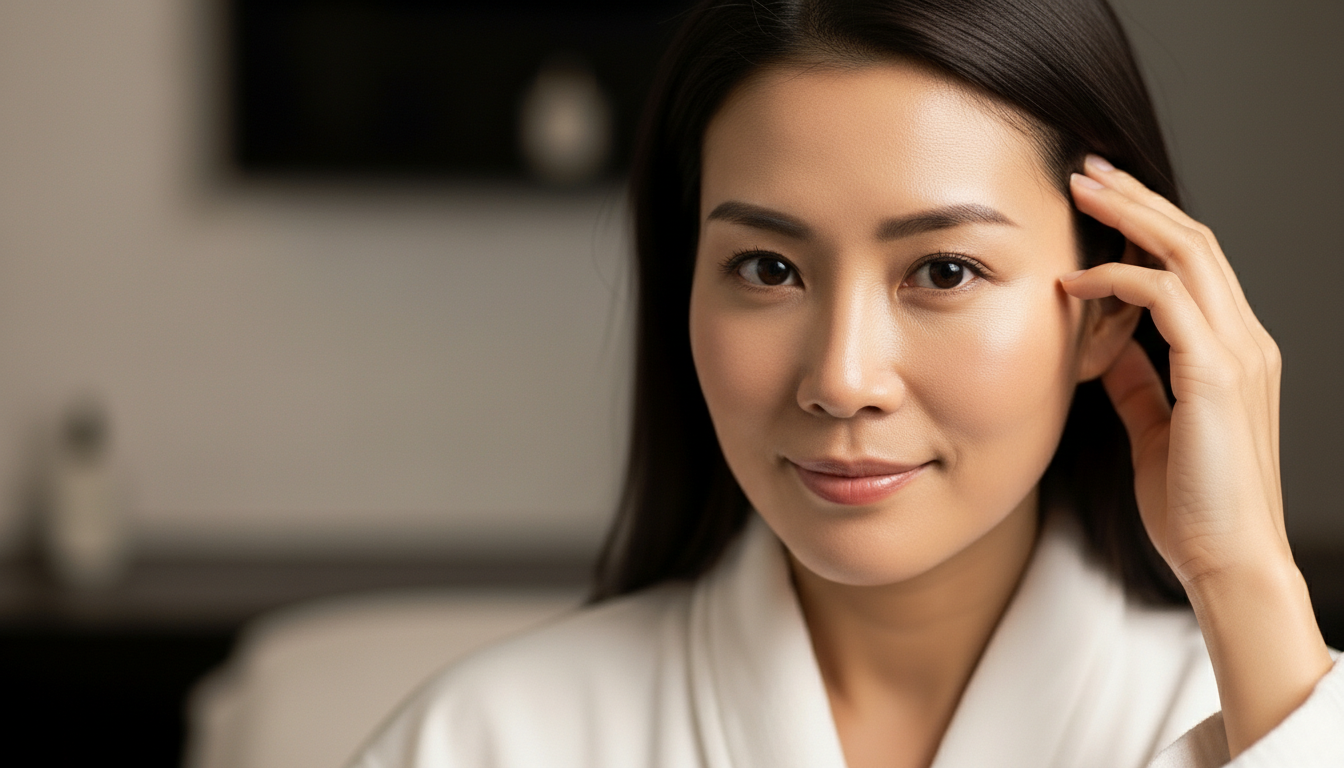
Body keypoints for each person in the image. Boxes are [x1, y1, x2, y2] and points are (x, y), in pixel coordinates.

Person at [352, 1, 1342, 766]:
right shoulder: (484, 740)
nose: (842, 379)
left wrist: (1245, 583)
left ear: (1108, 308)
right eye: (768, 269)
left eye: (944, 271)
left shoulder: (1263, 714)